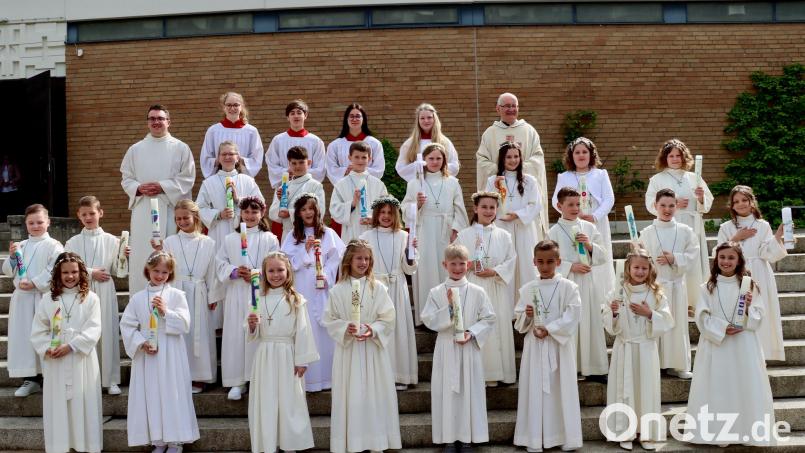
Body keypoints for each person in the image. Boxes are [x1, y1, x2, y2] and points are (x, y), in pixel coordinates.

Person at [686, 242, 776, 447]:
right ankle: (720, 433)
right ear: (716, 260)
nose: (726, 261)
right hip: (717, 345)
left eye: (731, 258)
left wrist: (749, 308)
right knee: (719, 386)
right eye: (722, 257)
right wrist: (721, 327)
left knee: (744, 384)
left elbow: (759, 315)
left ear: (739, 261)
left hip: (744, 343)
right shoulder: (706, 288)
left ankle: (746, 430)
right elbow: (701, 316)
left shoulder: (750, 285)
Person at [323, 239, 401, 453]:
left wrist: (373, 329)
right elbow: (329, 319)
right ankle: (353, 442)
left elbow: (388, 318)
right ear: (349, 260)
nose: (363, 262)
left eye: (367, 258)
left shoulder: (379, 288)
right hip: (348, 352)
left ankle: (377, 441)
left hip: (373, 350)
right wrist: (344, 327)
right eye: (359, 258)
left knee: (374, 394)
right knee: (352, 396)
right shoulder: (337, 291)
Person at [119, 251, 199, 452]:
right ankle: (158, 440)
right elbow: (127, 325)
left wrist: (166, 311)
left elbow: (185, 324)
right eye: (156, 271)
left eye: (165, 272)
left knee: (172, 391)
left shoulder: (176, 295)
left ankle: (175, 440)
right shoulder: (137, 298)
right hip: (148, 353)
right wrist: (140, 342)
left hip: (171, 350)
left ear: (170, 273)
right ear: (148, 270)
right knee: (152, 392)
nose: (160, 275)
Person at [422, 244, 496, 452]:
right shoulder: (436, 292)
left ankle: (466, 438)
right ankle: (448, 438)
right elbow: (428, 319)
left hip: (468, 348)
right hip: (446, 348)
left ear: (468, 264)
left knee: (468, 392)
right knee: (446, 393)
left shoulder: (477, 291)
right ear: (445, 265)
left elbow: (489, 318)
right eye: (453, 264)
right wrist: (447, 308)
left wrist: (471, 333)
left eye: (461, 263)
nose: (457, 268)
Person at [513, 240, 582, 453]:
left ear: (558, 261)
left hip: (558, 347)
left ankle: (563, 436)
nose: (545, 266)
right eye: (540, 262)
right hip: (535, 346)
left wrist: (550, 329)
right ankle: (534, 437)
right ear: (534, 262)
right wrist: (527, 316)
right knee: (535, 389)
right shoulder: (528, 289)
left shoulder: (569, 287)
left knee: (561, 389)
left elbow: (573, 314)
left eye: (550, 261)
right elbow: (518, 319)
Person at [246, 252, 319, 453]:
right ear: (264, 273)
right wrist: (252, 326)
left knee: (289, 400)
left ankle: (290, 444)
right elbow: (252, 333)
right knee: (266, 399)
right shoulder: (257, 298)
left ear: (288, 272)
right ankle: (268, 444)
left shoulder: (296, 299)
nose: (276, 274)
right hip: (265, 355)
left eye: (280, 270)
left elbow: (303, 330)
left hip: (288, 354)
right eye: (271, 270)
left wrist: (302, 360)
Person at [30, 252, 102, 453]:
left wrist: (71, 346)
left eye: (74, 272)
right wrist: (48, 347)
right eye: (65, 273)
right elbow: (38, 330)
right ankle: (60, 446)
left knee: (83, 399)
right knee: (58, 404)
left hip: (81, 358)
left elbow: (94, 328)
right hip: (56, 360)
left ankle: (86, 444)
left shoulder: (91, 299)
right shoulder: (48, 299)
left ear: (81, 272)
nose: (70, 276)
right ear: (57, 274)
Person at [120, 104, 196, 294]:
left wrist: (163, 186)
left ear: (168, 122)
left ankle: (170, 300)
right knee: (143, 255)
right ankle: (140, 303)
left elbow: (188, 178)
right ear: (147, 122)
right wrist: (138, 188)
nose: (156, 122)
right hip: (143, 209)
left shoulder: (180, 148)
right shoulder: (135, 150)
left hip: (170, 208)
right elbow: (126, 178)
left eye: (160, 118)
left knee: (169, 253)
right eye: (152, 119)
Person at [602, 247, 673, 451]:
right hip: (624, 348)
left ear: (650, 269)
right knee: (623, 390)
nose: (640, 272)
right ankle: (624, 430)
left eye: (644, 268)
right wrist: (614, 313)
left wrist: (650, 313)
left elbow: (667, 320)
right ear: (628, 268)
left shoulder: (656, 293)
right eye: (636, 267)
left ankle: (646, 432)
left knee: (645, 389)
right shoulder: (617, 291)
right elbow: (608, 322)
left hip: (646, 348)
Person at [215, 196, 279, 400]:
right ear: (240, 213)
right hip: (236, 292)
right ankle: (237, 381)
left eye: (254, 212)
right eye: (246, 212)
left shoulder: (269, 239)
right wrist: (234, 271)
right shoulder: (230, 239)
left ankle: (257, 377)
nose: (250, 216)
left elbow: (277, 262)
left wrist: (258, 272)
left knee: (257, 333)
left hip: (259, 291)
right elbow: (220, 263)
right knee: (236, 334)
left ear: (262, 214)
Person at [280, 193, 345, 392]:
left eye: (311, 208)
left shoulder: (328, 233)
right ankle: (307, 380)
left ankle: (326, 377)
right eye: (304, 209)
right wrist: (304, 251)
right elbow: (286, 263)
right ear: (298, 213)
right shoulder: (292, 236)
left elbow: (336, 258)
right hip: (301, 286)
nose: (308, 212)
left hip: (322, 286)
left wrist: (326, 273)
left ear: (317, 211)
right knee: (304, 326)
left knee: (322, 329)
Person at [453, 192, 516, 386]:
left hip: (495, 286)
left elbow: (511, 259)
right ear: (475, 209)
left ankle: (501, 372)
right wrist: (467, 265)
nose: (488, 211)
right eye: (484, 207)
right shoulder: (464, 235)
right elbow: (453, 258)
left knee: (498, 327)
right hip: (474, 285)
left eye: (492, 207)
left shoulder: (504, 235)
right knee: (477, 325)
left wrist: (495, 271)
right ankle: (480, 373)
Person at [717, 185, 787, 361]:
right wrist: (736, 238)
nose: (740, 204)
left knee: (760, 311)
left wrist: (777, 237)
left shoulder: (762, 226)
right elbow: (718, 253)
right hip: (735, 273)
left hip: (760, 273)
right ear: (732, 206)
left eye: (744, 200)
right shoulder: (726, 227)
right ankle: (740, 354)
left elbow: (766, 253)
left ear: (752, 202)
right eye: (736, 201)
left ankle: (761, 354)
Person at [645, 139, 713, 316]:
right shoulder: (657, 179)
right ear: (665, 158)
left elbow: (707, 203)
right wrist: (674, 204)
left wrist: (700, 198)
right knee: (674, 259)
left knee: (692, 261)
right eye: (671, 156)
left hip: (692, 224)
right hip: (670, 228)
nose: (675, 159)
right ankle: (673, 299)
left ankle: (695, 301)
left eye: (678, 155)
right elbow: (650, 203)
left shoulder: (693, 178)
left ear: (684, 158)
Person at [402, 143, 468, 326]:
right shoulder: (415, 183)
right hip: (424, 231)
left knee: (444, 271)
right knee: (426, 271)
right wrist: (417, 204)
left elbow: (459, 208)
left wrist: (456, 230)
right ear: (424, 160)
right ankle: (426, 318)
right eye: (431, 158)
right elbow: (404, 209)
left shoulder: (453, 182)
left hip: (445, 232)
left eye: (439, 158)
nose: (435, 162)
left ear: (444, 160)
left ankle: (451, 315)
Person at [158, 200, 220, 393]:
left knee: (199, 333)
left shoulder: (208, 242)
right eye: (178, 219)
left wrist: (213, 296)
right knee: (181, 333)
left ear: (195, 217)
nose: (182, 221)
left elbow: (212, 271)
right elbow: (165, 269)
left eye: (186, 217)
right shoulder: (169, 242)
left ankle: (199, 376)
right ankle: (180, 375)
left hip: (200, 290)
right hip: (177, 291)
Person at [64, 196, 124, 395]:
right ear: (79, 217)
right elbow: (66, 268)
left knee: (107, 331)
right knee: (84, 332)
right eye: (84, 214)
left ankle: (110, 379)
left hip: (105, 290)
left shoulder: (112, 240)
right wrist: (91, 273)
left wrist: (123, 256)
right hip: (81, 290)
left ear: (101, 213)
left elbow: (118, 270)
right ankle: (86, 380)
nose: (88, 217)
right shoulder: (72, 242)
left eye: (92, 213)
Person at [3, 203, 64, 397]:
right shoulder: (20, 245)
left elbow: (54, 268)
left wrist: (36, 283)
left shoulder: (54, 245)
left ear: (48, 222)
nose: (35, 226)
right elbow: (7, 269)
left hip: (43, 297)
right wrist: (12, 258)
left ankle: (49, 377)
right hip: (22, 299)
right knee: (24, 338)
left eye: (39, 222)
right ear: (25, 224)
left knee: (44, 335)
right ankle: (30, 378)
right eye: (31, 223)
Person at [548, 187, 609, 381]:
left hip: (587, 283)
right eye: (570, 205)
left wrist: (590, 246)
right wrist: (569, 266)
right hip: (566, 283)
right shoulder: (554, 232)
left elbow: (603, 257)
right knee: (571, 323)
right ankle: (571, 367)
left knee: (589, 322)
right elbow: (548, 259)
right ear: (559, 206)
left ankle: (593, 368)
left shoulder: (589, 227)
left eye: (578, 204)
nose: (575, 208)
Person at [639, 189, 699, 379]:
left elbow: (693, 255)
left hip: (675, 285)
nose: (667, 209)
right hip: (655, 287)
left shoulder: (685, 231)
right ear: (654, 206)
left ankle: (677, 364)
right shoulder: (646, 233)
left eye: (671, 205)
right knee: (656, 324)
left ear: (677, 206)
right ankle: (654, 364)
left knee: (676, 325)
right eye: (662, 205)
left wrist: (675, 258)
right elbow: (639, 260)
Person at [360, 196, 418, 389]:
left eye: (389, 213)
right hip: (375, 289)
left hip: (396, 287)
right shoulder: (366, 237)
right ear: (376, 214)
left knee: (397, 330)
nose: (386, 216)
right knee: (379, 330)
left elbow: (409, 269)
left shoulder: (403, 236)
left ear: (396, 215)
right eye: (382, 212)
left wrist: (411, 255)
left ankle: (400, 375)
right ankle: (379, 376)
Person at [476, 92, 548, 235]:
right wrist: (503, 170)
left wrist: (518, 169)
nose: (511, 109)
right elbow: (482, 160)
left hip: (524, 193)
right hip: (501, 192)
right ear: (498, 109)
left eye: (514, 106)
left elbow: (537, 159)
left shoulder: (529, 131)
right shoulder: (490, 133)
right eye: (507, 106)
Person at [552, 137, 615, 296]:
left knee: (597, 254)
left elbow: (609, 198)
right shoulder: (564, 176)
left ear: (591, 154)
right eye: (577, 152)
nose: (581, 155)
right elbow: (555, 200)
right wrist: (572, 215)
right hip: (573, 223)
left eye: (584, 152)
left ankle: (602, 297)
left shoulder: (600, 174)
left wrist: (594, 216)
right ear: (571, 156)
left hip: (596, 221)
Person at [485, 140, 541, 304]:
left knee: (525, 267)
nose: (513, 160)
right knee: (506, 266)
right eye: (509, 157)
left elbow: (535, 204)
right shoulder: (493, 181)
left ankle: (527, 307)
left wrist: (517, 214)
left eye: (516, 156)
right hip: (502, 228)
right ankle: (506, 309)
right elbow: (488, 202)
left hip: (523, 228)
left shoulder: (529, 180)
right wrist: (495, 188)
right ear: (502, 159)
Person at [197, 140, 265, 252]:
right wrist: (218, 215)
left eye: (231, 154)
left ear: (238, 157)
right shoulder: (208, 183)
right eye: (223, 154)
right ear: (218, 158)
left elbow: (260, 203)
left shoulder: (248, 180)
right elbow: (199, 207)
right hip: (219, 230)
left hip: (243, 229)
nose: (227, 157)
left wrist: (239, 200)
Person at [330, 141, 389, 242]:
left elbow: (386, 208)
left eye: (364, 157)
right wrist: (352, 204)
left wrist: (374, 219)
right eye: (356, 157)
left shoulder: (378, 184)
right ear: (350, 157)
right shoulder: (341, 184)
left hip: (373, 231)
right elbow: (334, 210)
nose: (360, 161)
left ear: (369, 159)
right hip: (351, 232)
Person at [267, 145, 326, 243]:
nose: (297, 166)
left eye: (301, 162)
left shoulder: (315, 185)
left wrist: (290, 213)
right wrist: (280, 203)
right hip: (288, 235)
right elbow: (273, 214)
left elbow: (320, 212)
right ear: (289, 164)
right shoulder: (283, 187)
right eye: (294, 163)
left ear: (309, 163)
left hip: (308, 234)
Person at [199, 92, 264, 178]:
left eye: (236, 105)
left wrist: (240, 160)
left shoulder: (251, 131)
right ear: (224, 107)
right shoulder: (213, 131)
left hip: (242, 177)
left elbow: (257, 158)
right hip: (219, 177)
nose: (232, 108)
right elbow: (205, 158)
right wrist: (221, 160)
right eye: (229, 105)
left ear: (241, 107)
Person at [265, 99, 326, 188]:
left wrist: (299, 172)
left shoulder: (315, 141)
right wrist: (287, 172)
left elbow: (320, 168)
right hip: (285, 187)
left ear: (305, 115)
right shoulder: (278, 140)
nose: (296, 116)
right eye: (292, 113)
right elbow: (272, 165)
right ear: (287, 117)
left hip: (307, 187)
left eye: (299, 112)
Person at [395, 103, 460, 181]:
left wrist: (437, 168)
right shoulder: (409, 144)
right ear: (418, 121)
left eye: (429, 117)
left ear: (434, 119)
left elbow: (454, 166)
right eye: (422, 118)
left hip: (440, 184)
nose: (426, 121)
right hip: (419, 185)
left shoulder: (444, 142)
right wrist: (418, 166)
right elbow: (401, 167)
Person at [326, 103, 385, 185]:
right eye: (351, 116)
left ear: (363, 119)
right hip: (344, 187)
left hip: (367, 186)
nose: (354, 119)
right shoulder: (335, 145)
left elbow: (379, 169)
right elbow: (331, 169)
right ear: (346, 119)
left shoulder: (374, 143)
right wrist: (347, 170)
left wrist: (359, 169)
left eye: (358, 116)